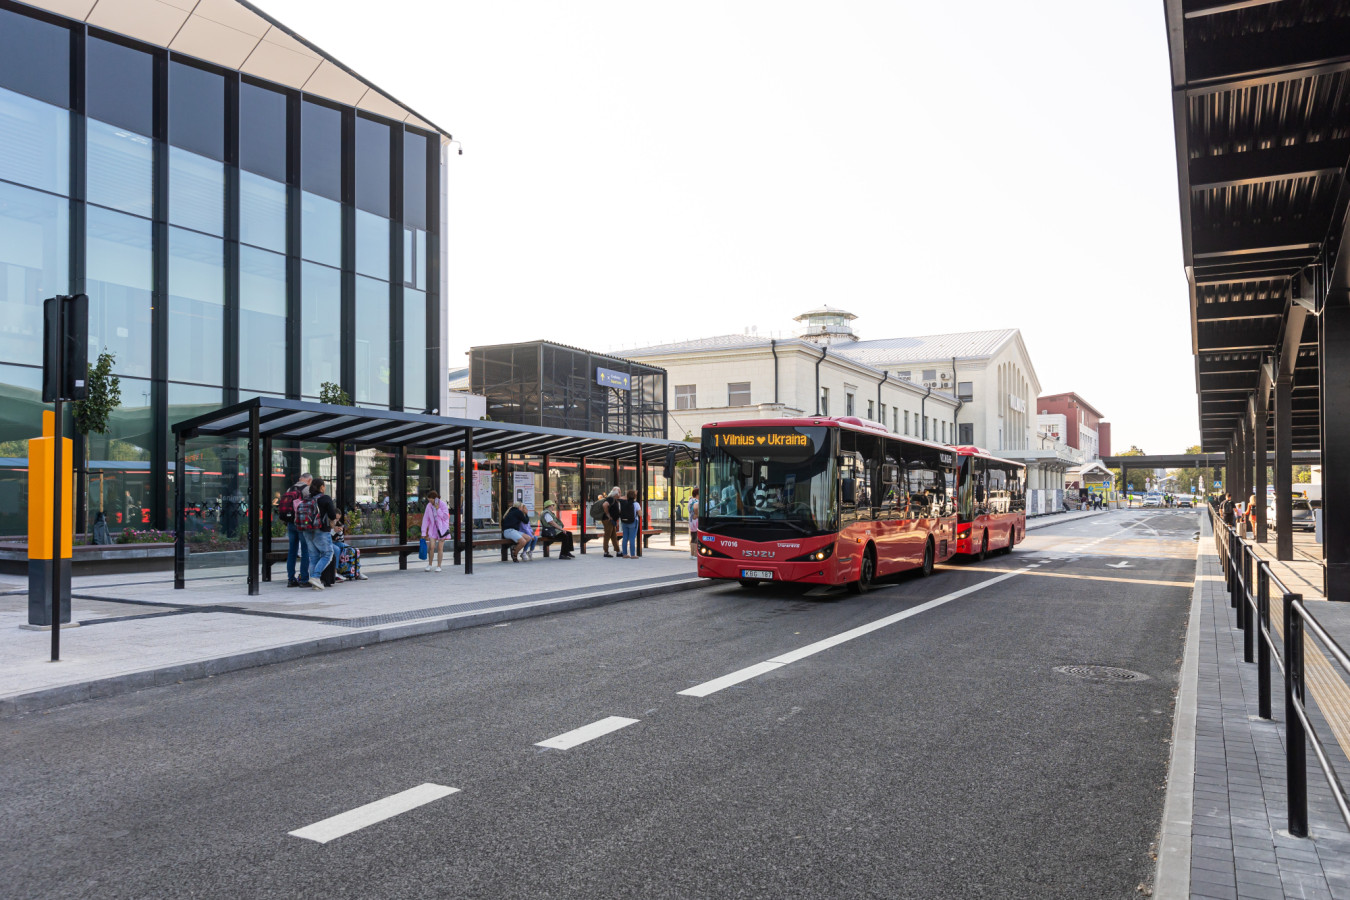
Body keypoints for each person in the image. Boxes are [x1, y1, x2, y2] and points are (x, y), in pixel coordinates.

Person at [299, 477, 338, 591]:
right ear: (322, 487)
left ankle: (315, 583)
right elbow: (332, 515)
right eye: (324, 486)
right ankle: (316, 577)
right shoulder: (325, 498)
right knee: (327, 554)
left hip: (306, 530)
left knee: (314, 556)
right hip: (320, 530)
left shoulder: (307, 498)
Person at [278, 472, 312, 588]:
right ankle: (304, 578)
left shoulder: (289, 489)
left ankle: (291, 579)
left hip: (290, 523)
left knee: (292, 551)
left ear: (300, 479)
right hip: (301, 524)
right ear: (309, 480)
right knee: (305, 550)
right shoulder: (307, 489)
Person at [331, 513, 367, 581]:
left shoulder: (338, 524)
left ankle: (356, 571)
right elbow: (327, 537)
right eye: (336, 518)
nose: (337, 520)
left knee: (351, 549)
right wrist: (333, 531)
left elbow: (341, 540)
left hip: (336, 542)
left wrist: (339, 532)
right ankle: (335, 572)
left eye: (338, 518)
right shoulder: (330, 523)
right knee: (337, 550)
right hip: (329, 542)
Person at [421, 489, 451, 572]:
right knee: (431, 547)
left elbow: (445, 517)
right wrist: (423, 531)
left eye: (431, 499)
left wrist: (438, 509)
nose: (430, 500)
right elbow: (425, 519)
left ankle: (439, 566)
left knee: (440, 548)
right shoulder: (429, 506)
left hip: (442, 528)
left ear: (435, 498)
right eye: (428, 499)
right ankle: (430, 564)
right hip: (433, 528)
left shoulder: (442, 504)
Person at [619, 488, 641, 559]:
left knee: (625, 537)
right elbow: (640, 514)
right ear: (634, 496)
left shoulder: (623, 502)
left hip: (624, 522)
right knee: (632, 538)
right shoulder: (636, 504)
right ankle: (633, 554)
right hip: (633, 522)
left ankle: (625, 554)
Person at [602, 487, 623, 558]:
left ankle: (618, 551)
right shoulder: (611, 499)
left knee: (614, 536)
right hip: (608, 520)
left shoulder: (615, 500)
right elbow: (605, 505)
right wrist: (608, 515)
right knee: (607, 536)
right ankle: (606, 552)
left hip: (612, 521)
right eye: (619, 492)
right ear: (616, 493)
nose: (620, 493)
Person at [687, 488, 700, 558]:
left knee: (693, 537)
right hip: (696, 520)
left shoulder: (690, 501)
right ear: (697, 494)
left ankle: (692, 554)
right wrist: (697, 514)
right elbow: (696, 507)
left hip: (691, 521)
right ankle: (695, 554)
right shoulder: (696, 501)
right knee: (696, 537)